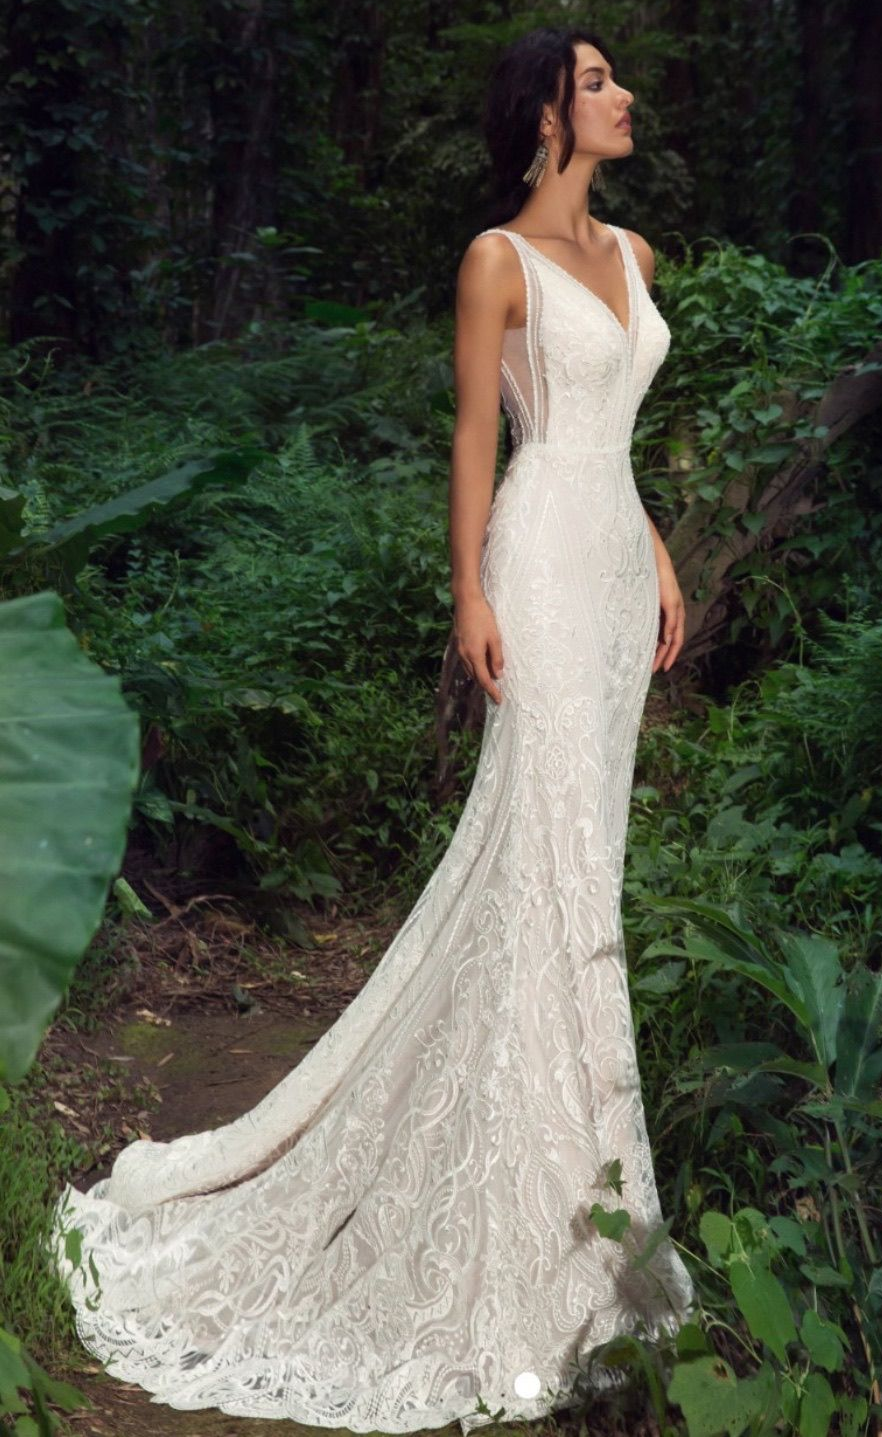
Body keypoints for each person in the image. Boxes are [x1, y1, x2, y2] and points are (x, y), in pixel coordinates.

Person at [48, 24, 696, 1436]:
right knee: (536, 854)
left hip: (607, 568)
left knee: (584, 871)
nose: (620, 95)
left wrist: (655, 555)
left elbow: (616, 444)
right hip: (530, 565)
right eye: (594, 82)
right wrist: (465, 589)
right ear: (542, 113)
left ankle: (593, 1207)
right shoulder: (493, 263)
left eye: (611, 80)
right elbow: (484, 436)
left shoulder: (636, 257)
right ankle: (531, 1227)